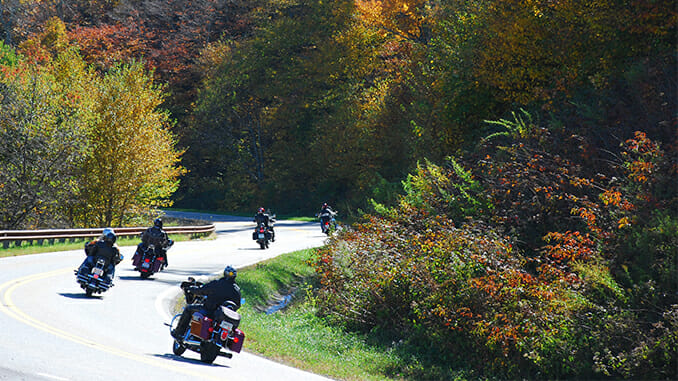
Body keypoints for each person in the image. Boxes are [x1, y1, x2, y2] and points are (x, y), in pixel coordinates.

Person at [172, 266, 242, 340]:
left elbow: (201, 290)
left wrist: (190, 289)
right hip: (223, 317)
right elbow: (238, 305)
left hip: (209, 310)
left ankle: (178, 333)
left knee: (188, 309)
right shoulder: (236, 290)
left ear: (225, 273)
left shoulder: (217, 284)